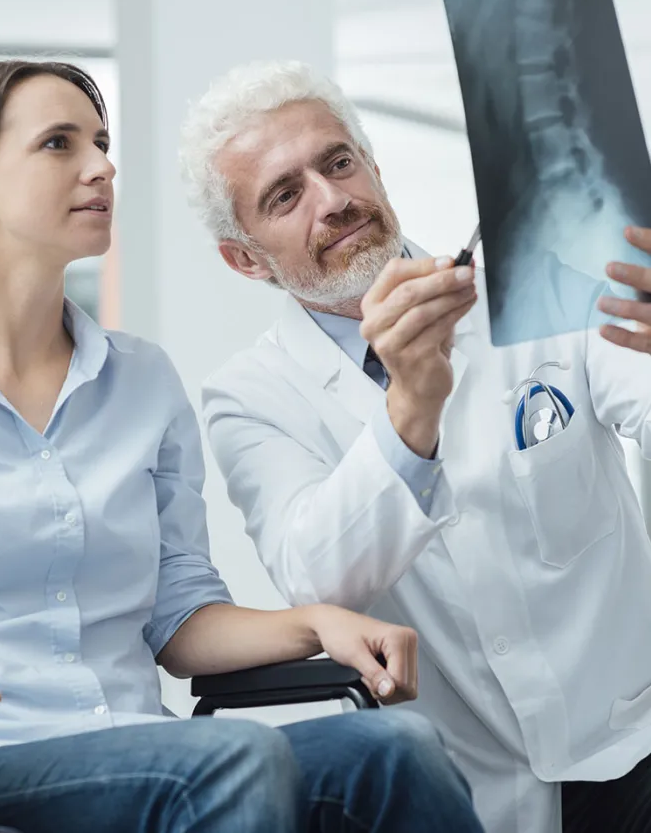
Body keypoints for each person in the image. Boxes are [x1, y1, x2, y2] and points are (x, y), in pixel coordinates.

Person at [0, 60, 484, 833]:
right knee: (234, 758)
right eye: (59, 144)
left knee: (395, 744)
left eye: (100, 141)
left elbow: (180, 618)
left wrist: (318, 622)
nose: (101, 165)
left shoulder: (141, 380)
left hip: (139, 751)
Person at [181, 59, 651, 833]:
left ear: (373, 166)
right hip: (468, 796)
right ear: (246, 259)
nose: (333, 200)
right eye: (285, 194)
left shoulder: (539, 283)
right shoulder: (250, 395)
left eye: (339, 163)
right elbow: (318, 576)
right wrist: (410, 411)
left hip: (633, 739)